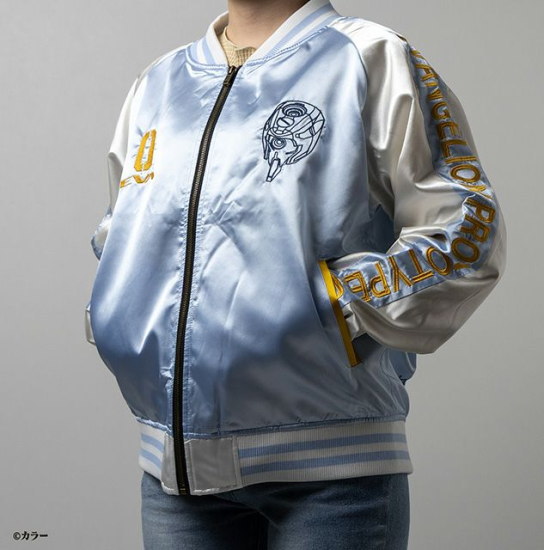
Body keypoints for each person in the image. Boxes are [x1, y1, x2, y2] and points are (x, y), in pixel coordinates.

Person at [84, 0, 506, 547]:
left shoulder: (371, 56)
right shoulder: (159, 82)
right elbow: (122, 230)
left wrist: (335, 308)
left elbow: (466, 229)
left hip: (333, 476)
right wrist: (116, 312)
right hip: (176, 476)